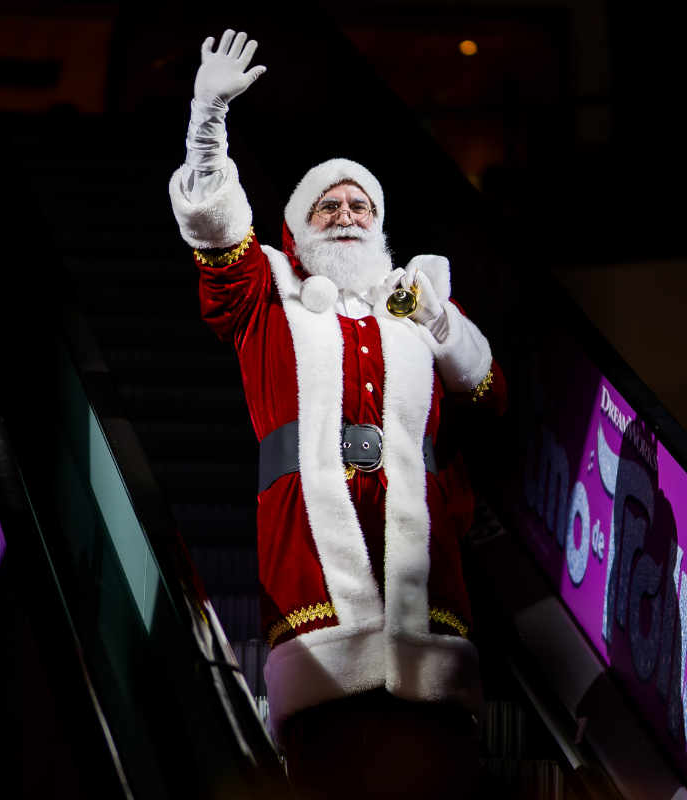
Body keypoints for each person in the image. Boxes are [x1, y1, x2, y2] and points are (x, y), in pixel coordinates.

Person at [168, 29, 506, 800]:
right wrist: (206, 123)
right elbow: (216, 231)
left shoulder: (416, 307)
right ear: (299, 227)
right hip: (314, 608)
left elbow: (490, 398)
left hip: (430, 620)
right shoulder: (268, 297)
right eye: (329, 205)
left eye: (361, 205)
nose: (347, 213)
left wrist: (442, 323)